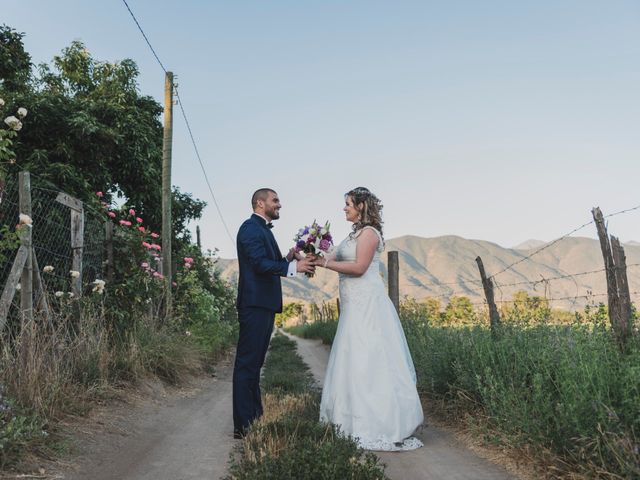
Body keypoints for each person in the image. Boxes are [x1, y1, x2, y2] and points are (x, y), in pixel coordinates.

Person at [311, 187, 424, 451]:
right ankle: (349, 421)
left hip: (368, 305)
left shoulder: (370, 234)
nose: (344, 208)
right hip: (352, 306)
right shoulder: (352, 235)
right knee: (352, 357)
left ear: (361, 206)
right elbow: (332, 256)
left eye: (348, 204)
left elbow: (359, 268)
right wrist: (310, 254)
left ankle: (380, 423)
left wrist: (324, 264)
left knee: (370, 357)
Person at [233, 188, 315, 438]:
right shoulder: (250, 228)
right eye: (275, 200)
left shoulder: (260, 229)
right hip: (255, 305)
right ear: (260, 203)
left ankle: (254, 417)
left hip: (263, 305)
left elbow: (267, 262)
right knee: (247, 364)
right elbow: (259, 264)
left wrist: (287, 257)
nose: (279, 204)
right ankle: (243, 427)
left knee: (255, 364)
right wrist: (293, 266)